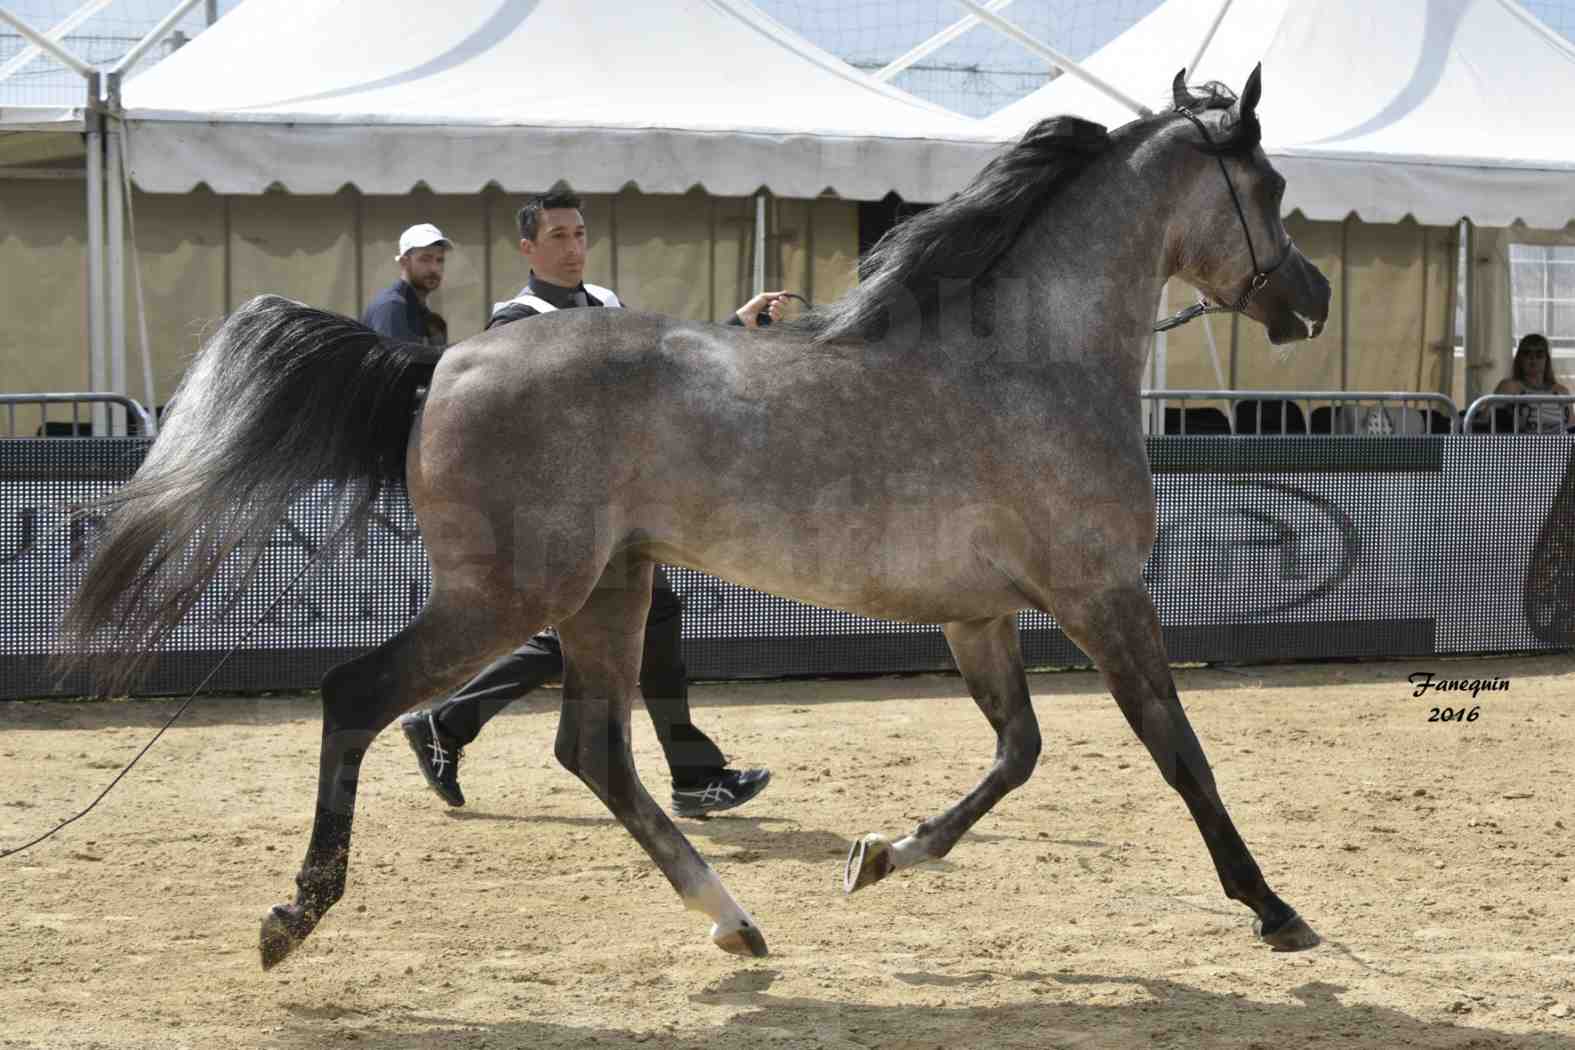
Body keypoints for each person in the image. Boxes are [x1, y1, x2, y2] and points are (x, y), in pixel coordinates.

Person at [400, 190, 787, 817]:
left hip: (617, 514)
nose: (573, 247)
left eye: (578, 233)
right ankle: (688, 773)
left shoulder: (606, 305)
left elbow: (660, 376)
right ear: (528, 248)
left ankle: (450, 724)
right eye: (557, 236)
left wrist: (731, 329)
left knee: (626, 629)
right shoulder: (515, 323)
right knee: (609, 631)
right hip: (555, 518)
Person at [363, 223, 451, 346]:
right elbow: (393, 364)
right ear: (404, 262)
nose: (434, 268)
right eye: (425, 259)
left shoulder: (425, 314)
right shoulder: (392, 306)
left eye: (439, 260)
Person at [1494, 333, 1570, 433]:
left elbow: (1571, 429)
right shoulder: (1509, 387)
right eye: (1527, 353)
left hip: (1557, 446)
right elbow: (1484, 421)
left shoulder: (1561, 391)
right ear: (1520, 359)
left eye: (1539, 354)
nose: (1533, 359)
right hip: (1522, 445)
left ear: (1546, 359)